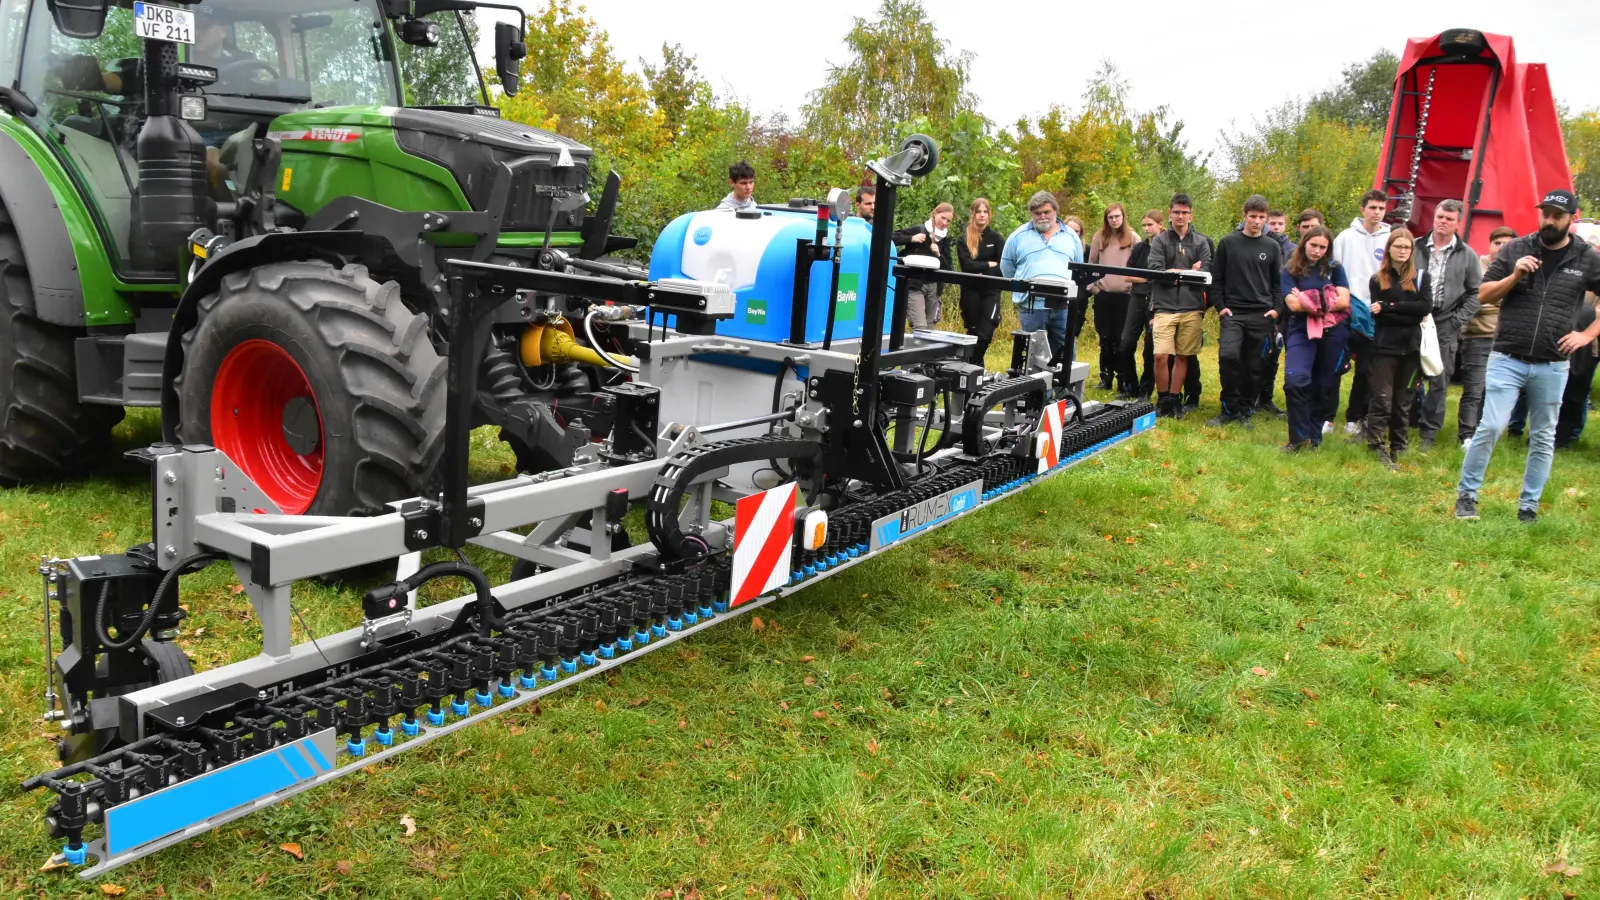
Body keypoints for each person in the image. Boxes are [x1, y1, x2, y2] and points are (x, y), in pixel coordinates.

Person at [1455, 189, 1600, 522]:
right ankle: (1466, 497)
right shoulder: (1517, 249)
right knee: (1490, 426)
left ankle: (1529, 506)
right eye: (1545, 213)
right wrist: (1515, 275)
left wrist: (1587, 334)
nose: (1548, 220)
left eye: (1556, 215)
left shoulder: (1586, 257)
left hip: (1553, 363)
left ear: (1572, 219)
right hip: (1507, 356)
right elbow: (1484, 294)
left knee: (1543, 435)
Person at [1208, 195, 1284, 427]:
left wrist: (1276, 310)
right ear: (1244, 216)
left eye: (1262, 217)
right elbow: (1216, 279)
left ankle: (1245, 411)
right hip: (1234, 314)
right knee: (1228, 357)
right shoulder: (1228, 243)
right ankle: (1228, 409)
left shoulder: (1272, 246)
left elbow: (1276, 284)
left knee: (1254, 366)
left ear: (1266, 219)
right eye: (1253, 216)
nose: (1257, 221)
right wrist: (1221, 307)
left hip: (1261, 315)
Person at [1412, 199, 1482, 449]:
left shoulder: (1466, 254)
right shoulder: (1416, 246)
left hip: (1444, 321)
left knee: (1439, 380)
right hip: (1413, 318)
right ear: (1434, 216)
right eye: (1440, 216)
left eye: (1449, 219)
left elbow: (1476, 292)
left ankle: (1428, 434)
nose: (1443, 221)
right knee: (1407, 374)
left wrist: (1457, 321)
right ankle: (1400, 422)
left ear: (1457, 223)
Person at [1364, 228, 1432, 468]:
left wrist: (1390, 306)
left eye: (1407, 247)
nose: (1403, 251)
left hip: (1411, 349)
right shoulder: (1377, 279)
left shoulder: (1422, 278)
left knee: (1404, 401)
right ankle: (1376, 444)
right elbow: (1380, 318)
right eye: (1398, 246)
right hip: (1384, 348)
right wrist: (1405, 311)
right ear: (1389, 249)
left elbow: (1424, 308)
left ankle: (1399, 446)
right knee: (1382, 398)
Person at [1279, 225, 1350, 449]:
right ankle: (1297, 438)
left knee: (1324, 384)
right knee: (1295, 381)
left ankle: (1314, 435)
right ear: (1304, 243)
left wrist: (1308, 298)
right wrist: (1327, 296)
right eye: (1313, 245)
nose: (1317, 251)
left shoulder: (1335, 268)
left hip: (1334, 331)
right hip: (1301, 329)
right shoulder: (1290, 270)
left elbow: (1345, 301)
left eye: (1322, 247)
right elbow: (1293, 305)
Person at [1333, 190, 1393, 438]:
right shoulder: (1345, 238)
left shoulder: (1390, 239)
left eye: (1381, 208)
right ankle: (1327, 416)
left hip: (1375, 313)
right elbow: (1334, 272)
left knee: (1366, 370)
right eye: (1372, 207)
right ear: (1362, 209)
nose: (1376, 212)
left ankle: (1354, 417)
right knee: (1335, 366)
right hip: (1346, 311)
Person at [1146, 193, 1211, 418]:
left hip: (1191, 306)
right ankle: (1162, 398)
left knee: (1184, 355)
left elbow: (1205, 273)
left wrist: (1175, 272)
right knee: (1161, 355)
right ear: (1170, 214)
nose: (1180, 216)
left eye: (1184, 212)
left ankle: (1174, 399)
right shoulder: (1160, 240)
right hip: (1164, 306)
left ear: (1191, 215)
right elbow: (1155, 269)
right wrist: (1186, 273)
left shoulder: (1202, 242)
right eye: (1176, 212)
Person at [1001, 191, 1083, 368]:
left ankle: (1065, 393)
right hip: (1032, 307)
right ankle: (1037, 393)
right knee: (1033, 354)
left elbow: (1078, 270)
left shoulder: (1071, 237)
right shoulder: (1017, 237)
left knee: (1065, 352)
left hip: (1063, 306)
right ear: (1032, 214)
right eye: (1037, 213)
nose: (1042, 216)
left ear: (1056, 211)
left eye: (1047, 212)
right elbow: (1007, 268)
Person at [1456, 226, 1517, 443]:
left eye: (1507, 244)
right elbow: (1473, 302)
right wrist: (1500, 301)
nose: (1501, 248)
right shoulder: (1477, 268)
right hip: (1477, 337)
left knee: (1495, 391)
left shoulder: (1518, 270)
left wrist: (1493, 299)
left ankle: (1485, 433)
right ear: (1490, 244)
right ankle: (1466, 435)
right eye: (1497, 243)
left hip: (1506, 340)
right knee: (1474, 389)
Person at [1088, 204, 1138, 393]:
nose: (1114, 220)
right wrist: (1093, 287)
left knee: (1122, 340)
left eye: (1117, 216)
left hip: (1126, 296)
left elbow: (1140, 266)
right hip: (1104, 295)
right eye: (1111, 217)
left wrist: (1133, 288)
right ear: (1106, 219)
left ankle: (1123, 379)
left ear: (1123, 217)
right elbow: (1091, 264)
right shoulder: (1100, 237)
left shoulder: (1133, 238)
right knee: (1105, 338)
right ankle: (1105, 377)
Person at [1118, 210, 1163, 400]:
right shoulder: (1140, 248)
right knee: (1126, 344)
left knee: (1150, 349)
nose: (1146, 229)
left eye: (1150, 225)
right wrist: (1147, 277)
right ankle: (1130, 386)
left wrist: (1146, 278)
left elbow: (1164, 276)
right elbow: (1127, 275)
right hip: (1137, 298)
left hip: (1158, 300)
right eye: (1144, 225)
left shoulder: (1166, 246)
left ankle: (1146, 390)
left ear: (1160, 224)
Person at [1257, 208, 1297, 415]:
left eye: (1280, 224)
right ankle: (1253, 396)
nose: (1276, 227)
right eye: (1272, 223)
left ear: (1286, 225)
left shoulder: (1293, 250)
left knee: (1275, 353)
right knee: (1258, 353)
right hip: (1262, 306)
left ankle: (1266, 398)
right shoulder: (1260, 244)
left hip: (1284, 310)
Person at [892, 202, 955, 332]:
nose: (944, 223)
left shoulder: (945, 239)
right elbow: (891, 238)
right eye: (943, 218)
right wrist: (911, 239)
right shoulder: (920, 230)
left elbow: (949, 268)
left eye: (948, 221)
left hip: (934, 287)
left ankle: (923, 351)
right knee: (920, 326)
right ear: (935, 214)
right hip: (914, 285)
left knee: (930, 328)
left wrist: (938, 254)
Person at [957, 197, 1004, 366]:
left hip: (991, 290)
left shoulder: (996, 238)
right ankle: (974, 373)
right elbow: (967, 266)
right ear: (973, 214)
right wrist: (988, 264)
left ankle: (969, 365)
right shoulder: (964, 239)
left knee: (986, 332)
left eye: (985, 212)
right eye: (979, 212)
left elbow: (1003, 267)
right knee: (973, 332)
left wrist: (981, 268)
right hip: (970, 290)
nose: (982, 215)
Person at [1063, 215, 1091, 356]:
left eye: (1077, 231)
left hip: (1079, 298)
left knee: (1071, 334)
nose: (1073, 234)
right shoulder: (1058, 249)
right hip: (1060, 293)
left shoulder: (1087, 250)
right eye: (1070, 229)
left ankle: (1070, 367)